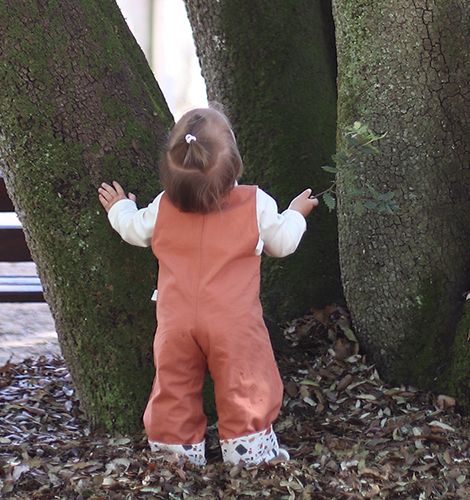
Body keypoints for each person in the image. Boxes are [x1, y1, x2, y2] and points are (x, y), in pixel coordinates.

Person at [98, 107, 318, 466]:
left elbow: (133, 229)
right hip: (233, 322)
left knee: (174, 385)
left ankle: (176, 456)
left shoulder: (164, 206)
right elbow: (283, 243)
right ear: (234, 162)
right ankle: (249, 456)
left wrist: (119, 207)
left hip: (176, 322)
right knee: (243, 384)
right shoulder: (255, 203)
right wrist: (296, 212)